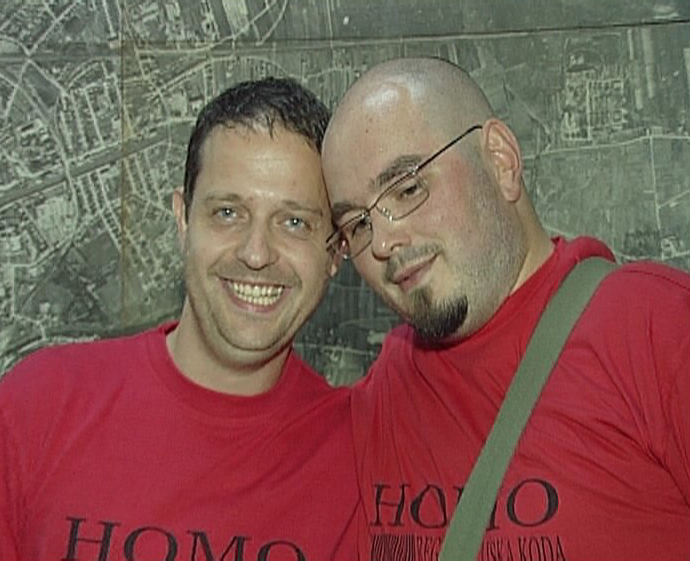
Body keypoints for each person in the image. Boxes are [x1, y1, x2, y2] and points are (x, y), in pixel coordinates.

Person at [321, 57, 690, 560]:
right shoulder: (384, 393)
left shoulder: (654, 330)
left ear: (500, 160)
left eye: (407, 189)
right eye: (358, 225)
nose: (383, 242)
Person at [0, 77, 360, 561]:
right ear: (183, 219)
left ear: (335, 250)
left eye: (294, 222)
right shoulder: (38, 406)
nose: (256, 253)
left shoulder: (359, 464)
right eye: (228, 212)